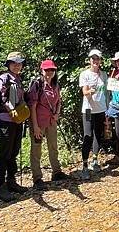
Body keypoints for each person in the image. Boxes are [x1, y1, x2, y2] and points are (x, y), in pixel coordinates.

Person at [27, 59, 69, 190]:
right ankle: (37, 178)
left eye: (52, 70)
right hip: (38, 122)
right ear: (42, 71)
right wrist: (35, 126)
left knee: (53, 146)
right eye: (47, 70)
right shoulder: (37, 85)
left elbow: (58, 101)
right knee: (36, 149)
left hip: (51, 121)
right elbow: (32, 106)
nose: (49, 72)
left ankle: (56, 172)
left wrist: (57, 113)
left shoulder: (55, 85)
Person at [0, 52, 29, 202]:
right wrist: (12, 111)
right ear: (8, 64)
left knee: (14, 151)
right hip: (5, 120)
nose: (17, 65)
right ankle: (0, 186)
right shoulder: (4, 77)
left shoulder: (18, 78)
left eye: (19, 63)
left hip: (17, 120)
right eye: (14, 63)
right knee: (4, 152)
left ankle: (11, 181)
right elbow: (3, 98)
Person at [79, 49, 109, 180]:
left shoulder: (104, 74)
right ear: (89, 60)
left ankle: (95, 160)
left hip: (101, 109)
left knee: (98, 134)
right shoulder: (84, 74)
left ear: (100, 60)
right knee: (87, 135)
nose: (95, 61)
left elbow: (107, 93)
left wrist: (108, 108)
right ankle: (84, 166)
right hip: (88, 109)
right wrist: (90, 91)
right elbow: (84, 92)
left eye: (97, 59)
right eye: (93, 59)